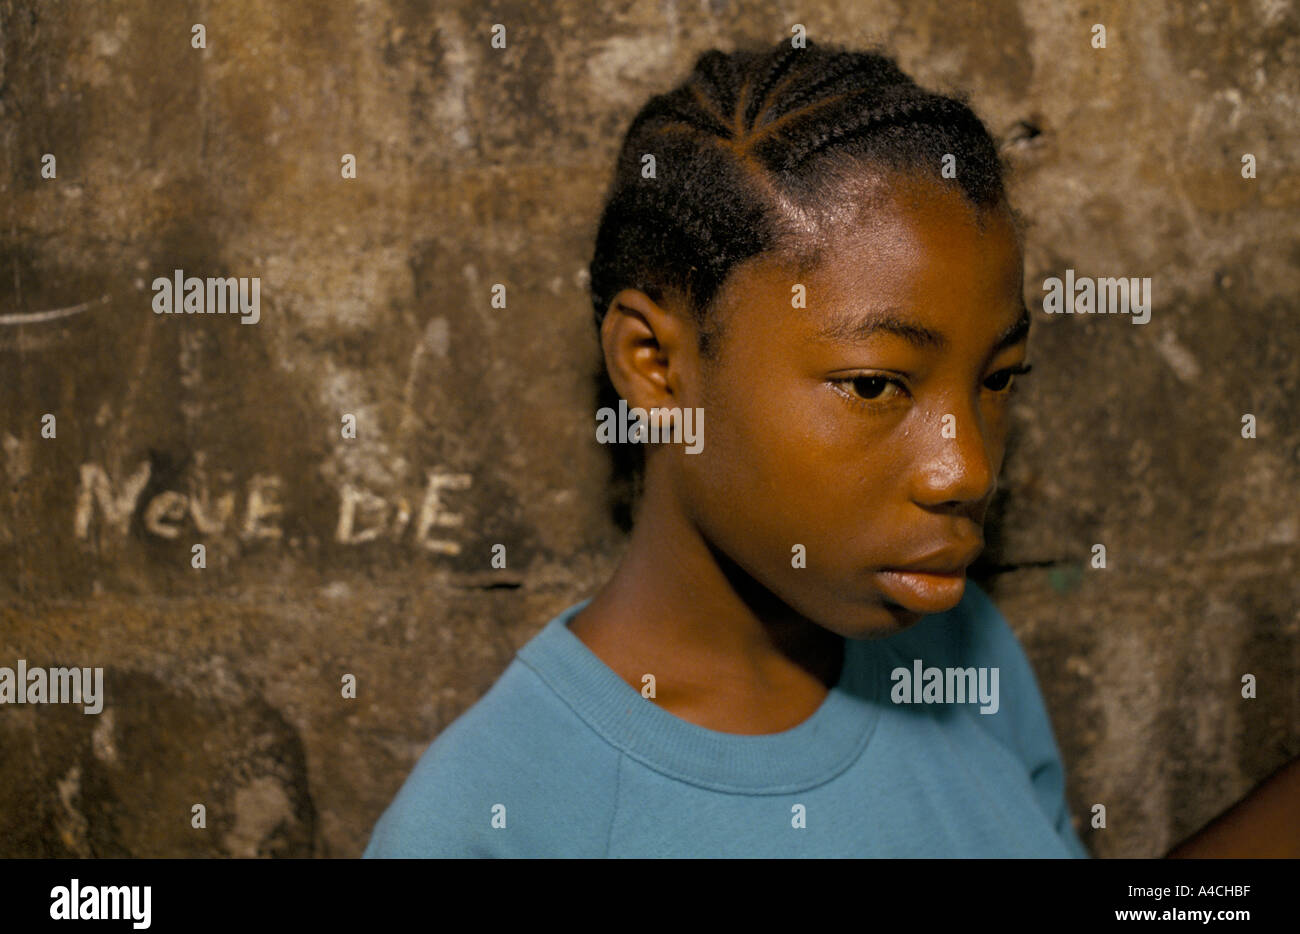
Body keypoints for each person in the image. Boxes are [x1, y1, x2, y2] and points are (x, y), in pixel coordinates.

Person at [364, 39, 1296, 858]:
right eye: (874, 384)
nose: (965, 469)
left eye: (998, 377)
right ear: (655, 366)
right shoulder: (491, 825)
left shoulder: (957, 645)